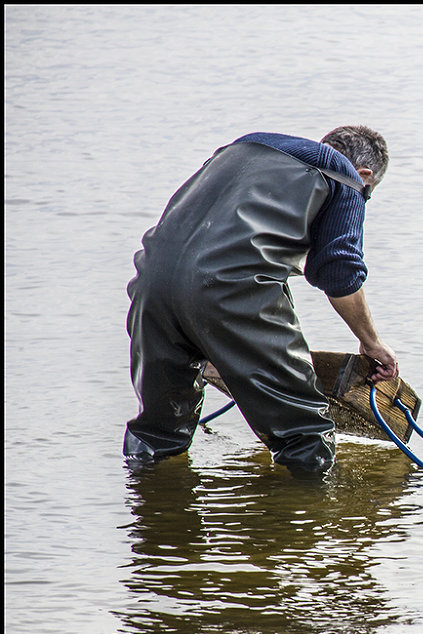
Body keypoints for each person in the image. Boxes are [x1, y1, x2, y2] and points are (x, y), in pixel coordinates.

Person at [124, 126, 398, 476]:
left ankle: (151, 511)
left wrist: (207, 342)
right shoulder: (344, 176)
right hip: (229, 290)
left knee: (157, 433)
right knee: (306, 436)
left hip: (152, 281)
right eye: (368, 194)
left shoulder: (243, 149)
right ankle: (303, 521)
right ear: (365, 176)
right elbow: (338, 271)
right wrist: (371, 342)